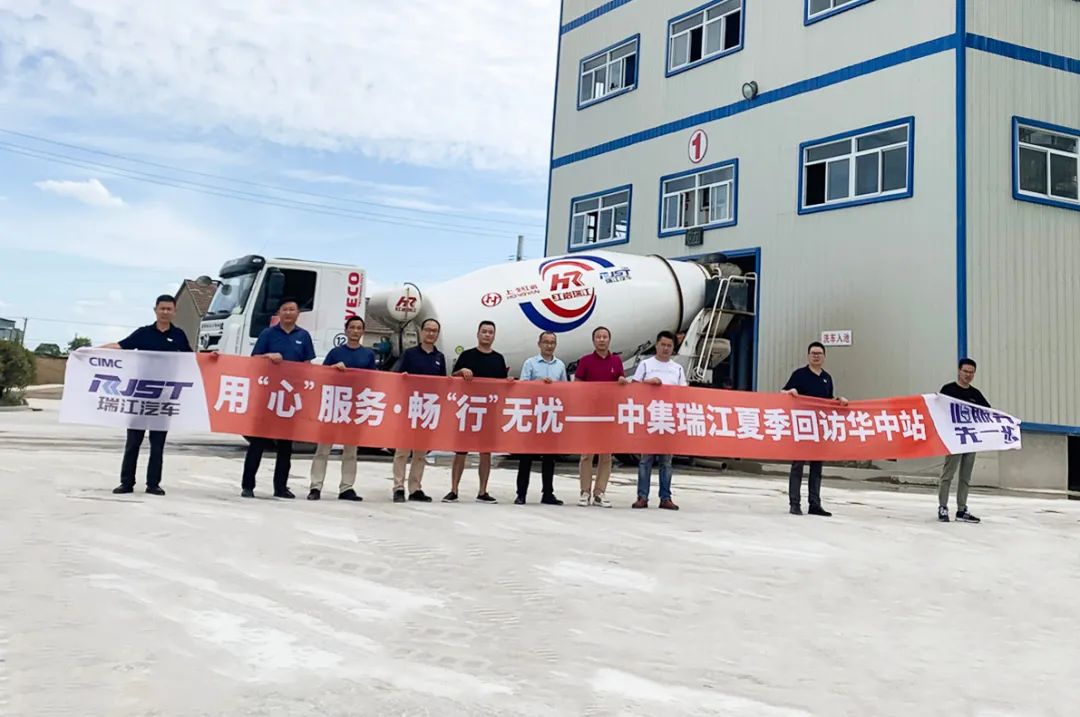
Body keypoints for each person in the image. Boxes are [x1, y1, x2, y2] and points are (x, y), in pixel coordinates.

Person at [101, 294, 192, 496]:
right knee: (133, 442)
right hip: (140, 396)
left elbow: (192, 359)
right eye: (162, 308)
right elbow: (120, 346)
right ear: (155, 310)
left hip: (164, 397)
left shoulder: (179, 335)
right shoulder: (143, 333)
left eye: (169, 309)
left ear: (174, 312)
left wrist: (213, 357)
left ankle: (153, 484)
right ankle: (126, 483)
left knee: (157, 445)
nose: (165, 312)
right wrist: (91, 351)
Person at [241, 298, 316, 499]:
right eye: (285, 309)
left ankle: (280, 487)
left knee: (285, 446)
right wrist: (268, 356)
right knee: (257, 443)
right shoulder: (268, 334)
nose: (289, 313)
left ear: (298, 313)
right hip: (267, 396)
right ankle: (248, 485)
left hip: (290, 399)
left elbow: (308, 365)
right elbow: (254, 359)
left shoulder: (304, 336)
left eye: (292, 309)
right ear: (279, 312)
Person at [307, 316, 376, 502]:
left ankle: (347, 487)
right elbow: (322, 375)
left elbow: (373, 379)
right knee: (323, 449)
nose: (355, 331)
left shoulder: (368, 355)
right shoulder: (335, 352)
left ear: (363, 331)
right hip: (334, 405)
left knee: (351, 451)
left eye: (359, 328)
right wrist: (333, 369)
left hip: (354, 407)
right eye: (352, 327)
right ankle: (316, 486)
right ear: (346, 330)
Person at [445, 320, 509, 504]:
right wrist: (461, 371)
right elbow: (451, 378)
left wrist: (510, 382)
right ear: (478, 334)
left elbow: (502, 385)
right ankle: (454, 490)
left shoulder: (498, 359)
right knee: (460, 452)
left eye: (490, 332)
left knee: (485, 452)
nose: (487, 335)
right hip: (467, 409)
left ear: (494, 336)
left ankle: (482, 491)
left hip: (488, 412)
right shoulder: (467, 355)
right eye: (484, 331)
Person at [782, 341, 848, 517]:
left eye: (819, 353)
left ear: (824, 357)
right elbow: (783, 392)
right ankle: (794, 503)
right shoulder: (799, 375)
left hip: (819, 429)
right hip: (802, 428)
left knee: (817, 467)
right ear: (808, 356)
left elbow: (828, 401)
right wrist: (790, 392)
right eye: (813, 353)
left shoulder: (827, 378)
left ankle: (815, 504)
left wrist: (839, 400)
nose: (816, 356)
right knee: (798, 466)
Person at [631, 331, 687, 510]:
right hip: (649, 418)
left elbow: (684, 392)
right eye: (663, 345)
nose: (665, 348)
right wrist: (648, 383)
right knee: (645, 460)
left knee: (666, 462)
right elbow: (633, 388)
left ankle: (665, 498)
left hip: (668, 420)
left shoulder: (677, 368)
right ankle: (642, 497)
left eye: (669, 346)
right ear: (656, 345)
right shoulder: (645, 364)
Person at [573, 326, 628, 508]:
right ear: (593, 340)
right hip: (589, 415)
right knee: (586, 455)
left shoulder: (616, 361)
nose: (602, 340)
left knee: (606, 456)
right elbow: (577, 383)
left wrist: (622, 381)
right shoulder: (585, 360)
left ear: (609, 340)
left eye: (605, 337)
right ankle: (585, 491)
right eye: (598, 337)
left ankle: (599, 492)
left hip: (608, 415)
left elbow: (621, 382)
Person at [391, 318, 444, 503]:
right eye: (428, 330)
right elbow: (397, 377)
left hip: (428, 410)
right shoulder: (410, 354)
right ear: (421, 332)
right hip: (409, 408)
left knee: (420, 453)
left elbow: (442, 384)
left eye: (434, 331)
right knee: (402, 451)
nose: (431, 333)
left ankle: (415, 488)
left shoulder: (439, 357)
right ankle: (398, 487)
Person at [515, 331, 568, 506]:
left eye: (552, 342)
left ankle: (548, 493)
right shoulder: (530, 363)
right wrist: (538, 385)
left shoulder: (560, 365)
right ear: (539, 344)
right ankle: (521, 493)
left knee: (549, 458)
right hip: (533, 415)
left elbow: (565, 389)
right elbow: (522, 386)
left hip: (550, 415)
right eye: (546, 342)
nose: (549, 345)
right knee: (526, 457)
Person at [937, 358, 988, 524]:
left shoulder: (975, 395)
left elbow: (988, 413)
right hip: (954, 439)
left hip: (970, 439)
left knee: (965, 477)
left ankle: (961, 509)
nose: (968, 375)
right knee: (948, 475)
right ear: (959, 371)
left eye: (971, 372)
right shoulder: (948, 390)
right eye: (965, 371)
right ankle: (943, 507)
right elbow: (938, 410)